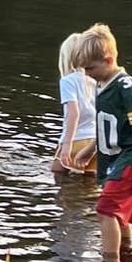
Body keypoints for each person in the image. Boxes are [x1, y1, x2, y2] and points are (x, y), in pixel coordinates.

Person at [72, 23, 132, 261]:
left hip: (131, 158)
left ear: (108, 60)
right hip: (114, 157)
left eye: (90, 68)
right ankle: (127, 254)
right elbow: (107, 125)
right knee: (119, 214)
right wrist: (90, 150)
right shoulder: (102, 84)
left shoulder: (125, 87)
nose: (87, 74)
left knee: (105, 209)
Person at [52, 31, 97, 174]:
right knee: (89, 186)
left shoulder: (68, 81)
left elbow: (74, 113)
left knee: (57, 176)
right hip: (94, 142)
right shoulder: (94, 80)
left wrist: (67, 144)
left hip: (76, 140)